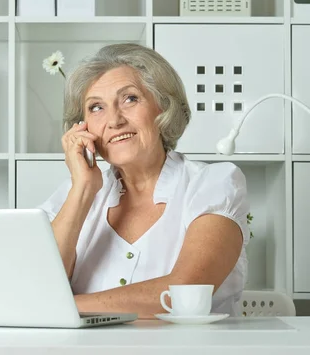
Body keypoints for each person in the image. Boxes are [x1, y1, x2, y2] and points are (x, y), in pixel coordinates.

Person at [38, 43, 250, 319]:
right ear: (83, 128)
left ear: (163, 106)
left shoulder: (212, 184)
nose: (114, 121)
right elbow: (37, 286)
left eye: (130, 99)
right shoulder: (74, 193)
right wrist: (82, 190)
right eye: (96, 108)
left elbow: (185, 292)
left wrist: (64, 306)